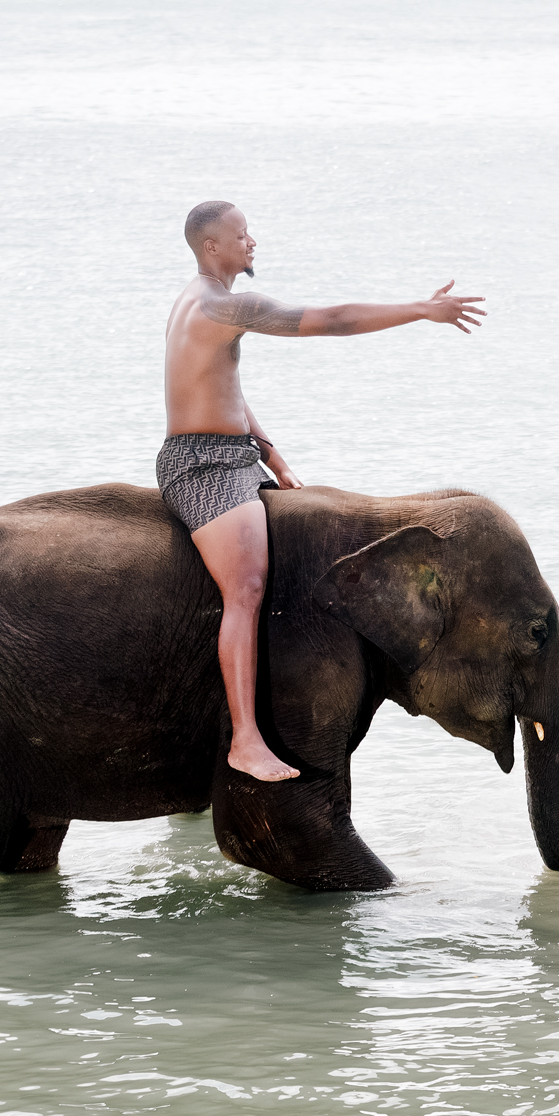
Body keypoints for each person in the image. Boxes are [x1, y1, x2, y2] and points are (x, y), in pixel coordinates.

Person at [161, 200, 485, 781]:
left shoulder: (203, 301)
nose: (252, 241)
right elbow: (330, 319)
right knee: (247, 587)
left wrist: (268, 448)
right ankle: (244, 741)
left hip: (234, 455)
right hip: (203, 466)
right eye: (241, 234)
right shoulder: (218, 305)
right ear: (213, 246)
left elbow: (218, 384)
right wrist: (421, 310)